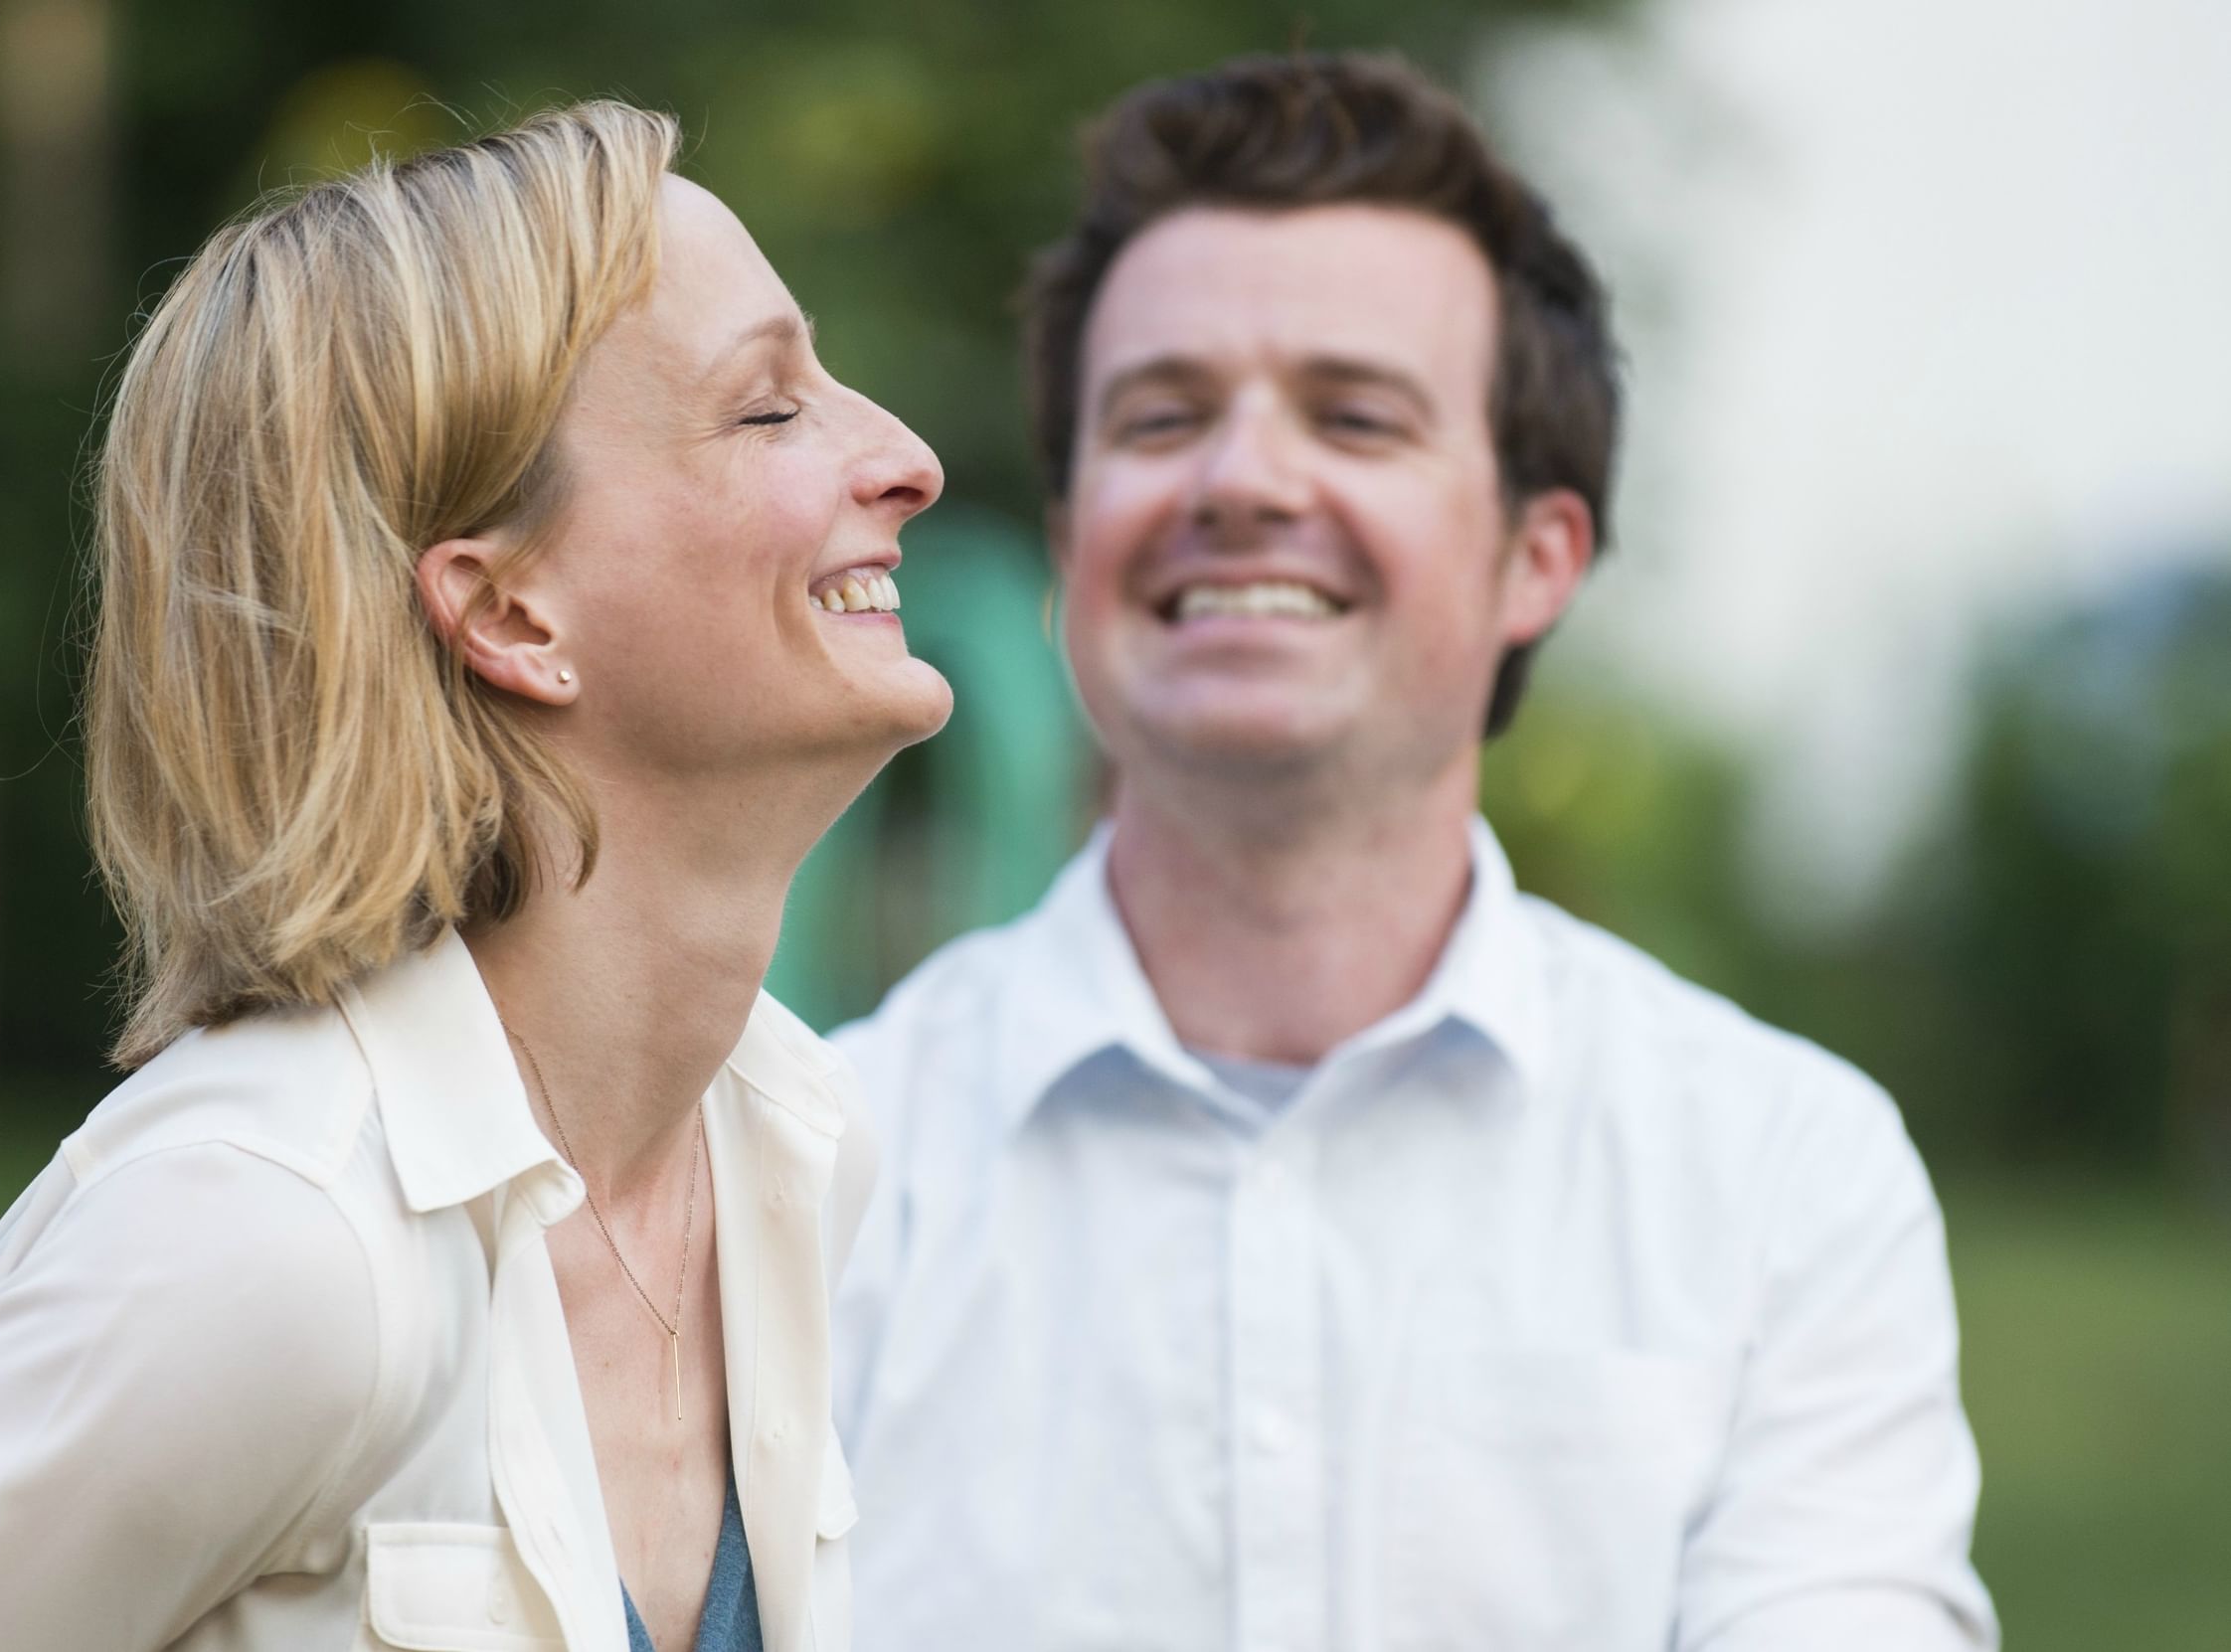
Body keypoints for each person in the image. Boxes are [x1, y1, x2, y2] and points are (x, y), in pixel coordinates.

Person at [831, 52, 1997, 1651]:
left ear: (1539, 557)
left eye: (1356, 416)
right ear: (1068, 543)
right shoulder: (812, 1172)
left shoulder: (1789, 1180)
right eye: (1162, 415)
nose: (1241, 480)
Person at [0, 99, 946, 1652]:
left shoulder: (790, 1143)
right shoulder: (267, 1240)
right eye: (768, 410)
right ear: (509, 613)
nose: (904, 457)